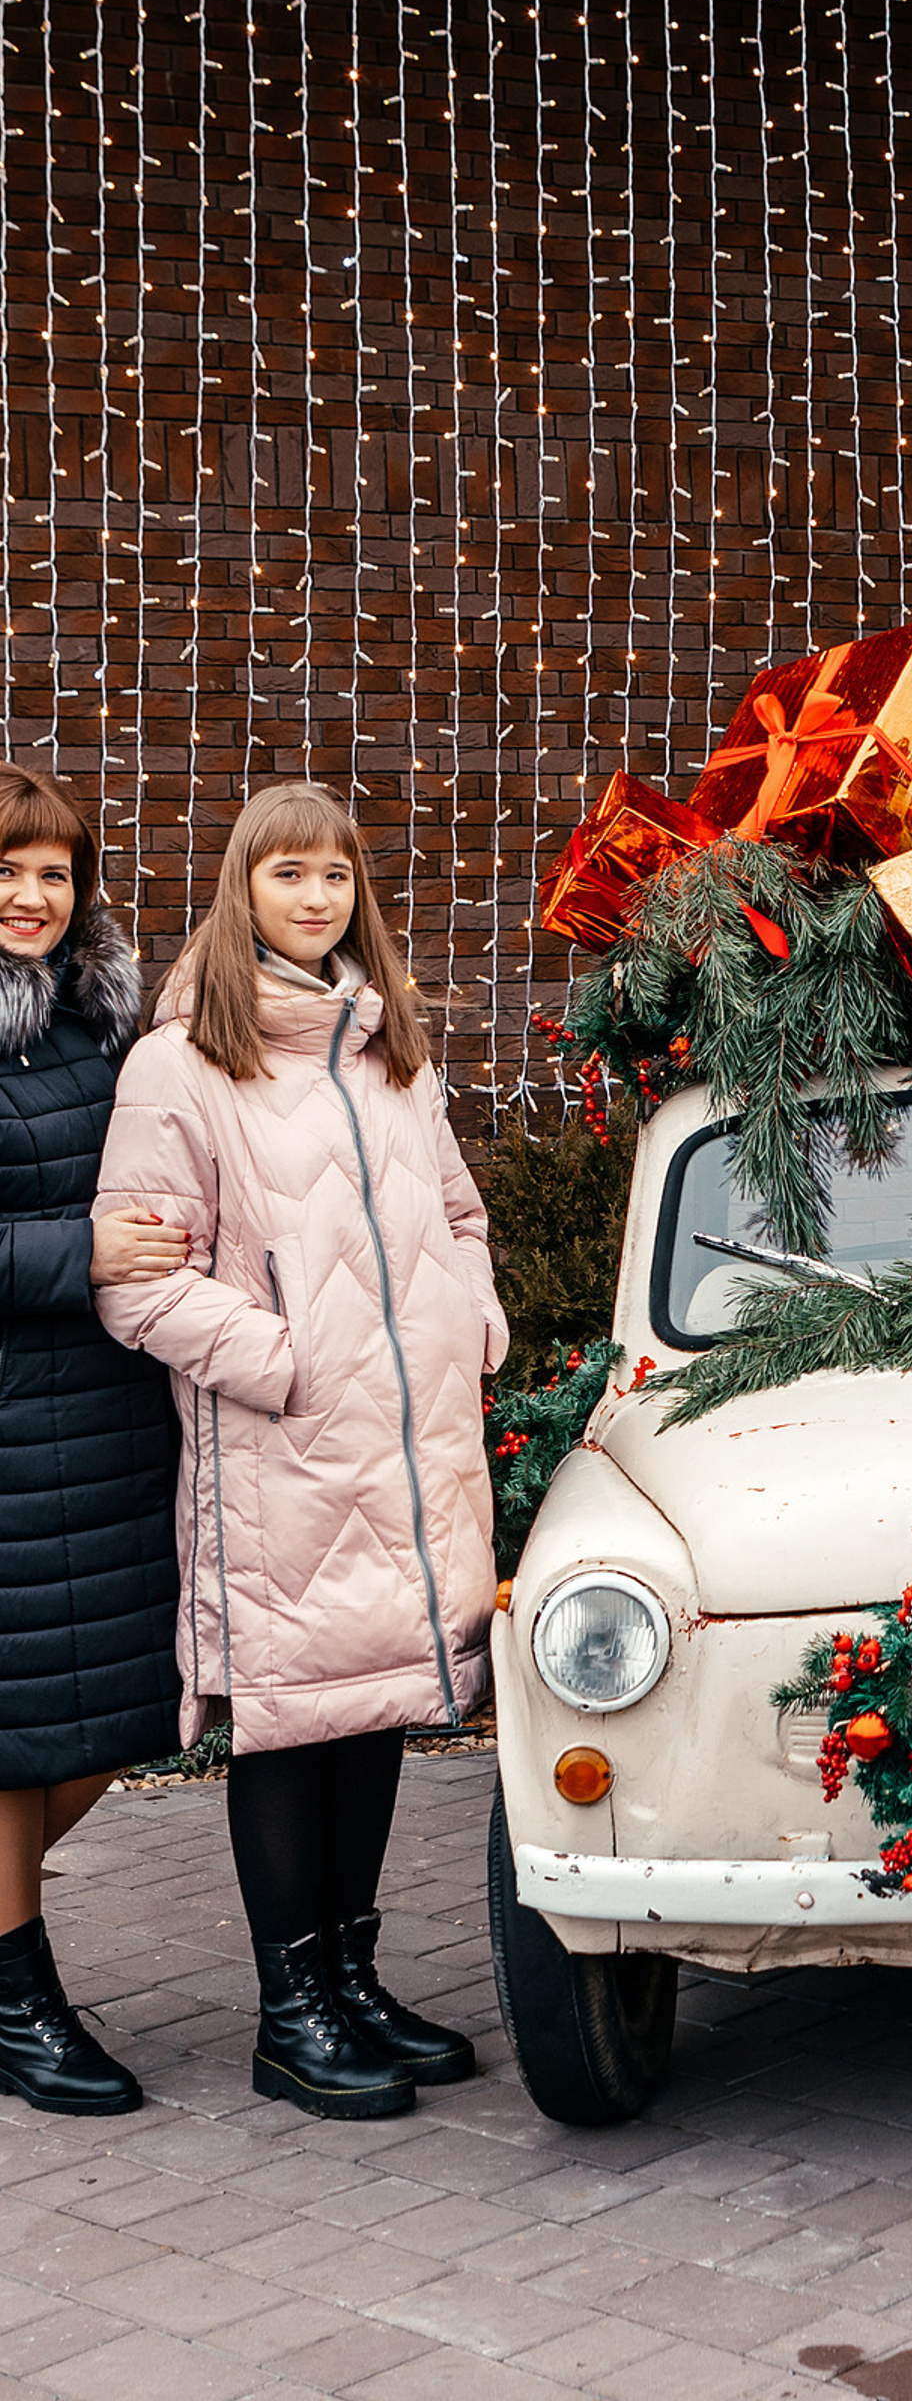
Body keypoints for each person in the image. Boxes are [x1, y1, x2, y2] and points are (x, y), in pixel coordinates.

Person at [94, 782, 508, 2119]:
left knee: (377, 1700)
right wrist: (288, 1360)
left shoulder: (387, 1046)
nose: (316, 897)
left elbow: (455, 1206)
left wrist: (472, 1316)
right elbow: (140, 1282)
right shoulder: (183, 1062)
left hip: (408, 1438)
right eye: (289, 876)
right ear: (244, 890)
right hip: (284, 1448)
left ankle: (353, 1978)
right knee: (289, 1718)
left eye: (335, 875)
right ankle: (293, 2013)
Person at [0, 764, 188, 2112]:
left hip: (111, 1416)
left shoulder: (98, 1017)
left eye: (54, 871)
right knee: (13, 1736)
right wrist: (82, 1251)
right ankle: (18, 2000)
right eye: (6, 871)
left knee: (120, 1713)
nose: (31, 897)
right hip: (12, 1428)